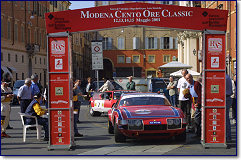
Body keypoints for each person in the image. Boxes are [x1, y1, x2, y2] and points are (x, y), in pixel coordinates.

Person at [226, 74, 233, 142]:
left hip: (226, 98)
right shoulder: (228, 77)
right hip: (228, 97)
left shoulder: (224, 78)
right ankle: (228, 136)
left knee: (225, 119)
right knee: (226, 118)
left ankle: (227, 136)